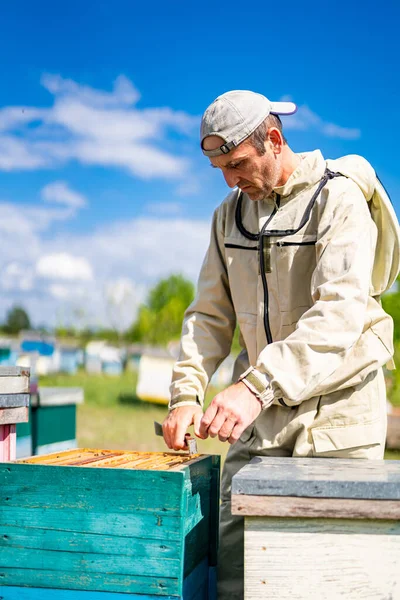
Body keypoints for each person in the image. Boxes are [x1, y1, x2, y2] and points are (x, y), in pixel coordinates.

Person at [162, 90, 400, 599]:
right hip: (262, 418)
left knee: (332, 574)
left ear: (274, 139)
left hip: (340, 419)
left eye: (239, 164)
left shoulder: (339, 199)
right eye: (220, 168)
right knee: (238, 568)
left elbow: (338, 313)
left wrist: (256, 386)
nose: (230, 180)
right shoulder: (229, 216)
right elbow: (208, 316)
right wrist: (186, 394)